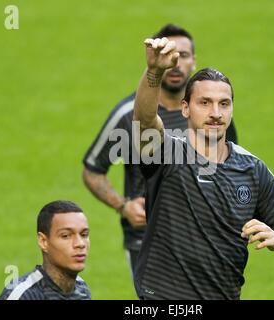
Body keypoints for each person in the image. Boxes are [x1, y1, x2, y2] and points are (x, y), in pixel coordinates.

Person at [132, 37, 274, 300]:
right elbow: (145, 120)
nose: (216, 112)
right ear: (185, 108)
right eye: (205, 103)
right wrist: (155, 72)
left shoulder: (252, 169)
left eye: (224, 104)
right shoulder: (168, 155)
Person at [82, 24, 238, 277]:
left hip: (203, 239)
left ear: (194, 61)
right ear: (156, 59)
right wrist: (123, 207)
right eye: (169, 56)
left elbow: (230, 172)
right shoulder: (127, 116)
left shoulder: (213, 116)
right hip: (147, 241)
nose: (176, 64)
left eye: (183, 56)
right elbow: (92, 171)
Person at [0, 200, 91, 300]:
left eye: (84, 235)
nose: (80, 244)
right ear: (43, 241)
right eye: (66, 236)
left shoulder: (82, 290)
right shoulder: (23, 295)